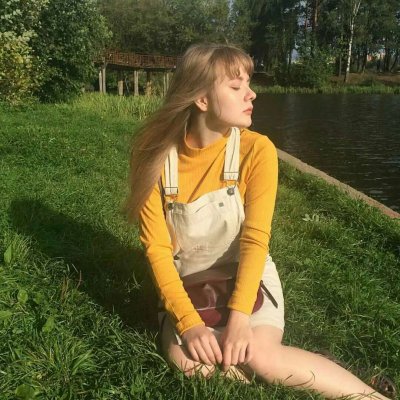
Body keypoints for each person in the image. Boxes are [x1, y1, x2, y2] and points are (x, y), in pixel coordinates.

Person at [126, 43, 394, 399]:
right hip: (186, 282)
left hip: (248, 275)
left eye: (248, 84)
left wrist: (239, 320)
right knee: (193, 366)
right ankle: (313, 365)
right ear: (202, 99)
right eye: (236, 86)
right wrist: (189, 325)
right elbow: (157, 251)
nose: (251, 94)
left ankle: (372, 396)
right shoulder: (153, 156)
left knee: (260, 357)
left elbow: (255, 241)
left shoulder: (257, 150)